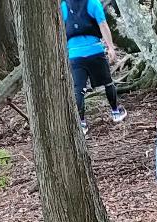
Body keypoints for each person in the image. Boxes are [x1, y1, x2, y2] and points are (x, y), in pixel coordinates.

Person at [61, 0, 125, 133]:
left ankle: (82, 123)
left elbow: (61, 30)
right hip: (95, 51)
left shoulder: (63, 6)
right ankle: (115, 112)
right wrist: (110, 48)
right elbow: (103, 25)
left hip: (74, 54)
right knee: (107, 82)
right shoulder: (93, 3)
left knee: (78, 89)